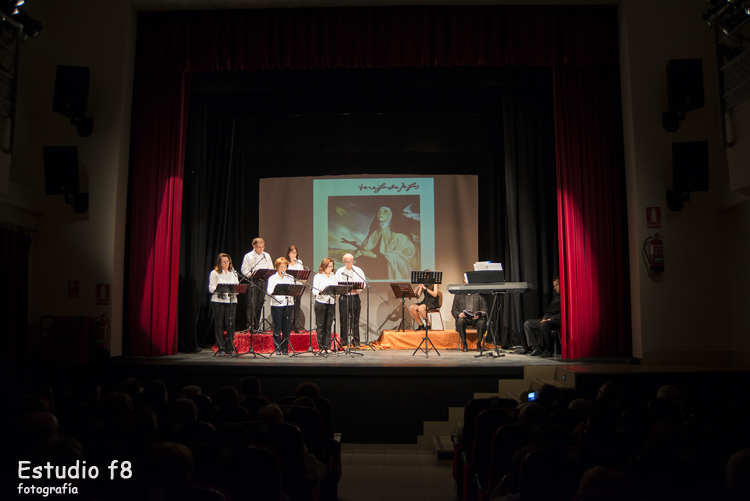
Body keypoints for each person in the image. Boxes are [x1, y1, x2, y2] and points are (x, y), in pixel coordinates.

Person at [353, 206, 419, 280]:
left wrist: (375, 256)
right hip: (372, 265)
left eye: (385, 211)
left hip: (385, 267)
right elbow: (365, 248)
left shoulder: (400, 235)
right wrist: (357, 257)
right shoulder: (375, 233)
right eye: (379, 211)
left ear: (392, 214)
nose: (380, 213)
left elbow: (406, 256)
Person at [208, 253, 239, 357]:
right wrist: (218, 290)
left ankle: (230, 348)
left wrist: (235, 290)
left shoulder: (233, 273)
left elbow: (237, 287)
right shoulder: (215, 273)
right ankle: (221, 348)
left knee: (231, 324)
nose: (226, 263)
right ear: (220, 263)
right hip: (218, 301)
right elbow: (211, 288)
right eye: (224, 262)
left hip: (231, 301)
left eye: (227, 261)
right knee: (219, 324)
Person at [523, 276, 560, 358]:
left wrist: (551, 319)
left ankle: (548, 350)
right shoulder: (555, 297)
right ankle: (536, 348)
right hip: (548, 320)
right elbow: (548, 310)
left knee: (544, 325)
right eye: (554, 286)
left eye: (556, 285)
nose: (555, 288)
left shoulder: (567, 297)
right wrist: (544, 318)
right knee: (528, 324)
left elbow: (564, 314)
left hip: (558, 321)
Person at [240, 237, 272, 333]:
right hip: (253, 281)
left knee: (259, 303)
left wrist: (268, 274)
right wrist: (250, 275)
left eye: (263, 247)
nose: (261, 249)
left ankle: (256, 325)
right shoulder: (248, 256)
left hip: (263, 281)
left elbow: (271, 268)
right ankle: (250, 325)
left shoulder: (266, 256)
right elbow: (243, 270)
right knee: (251, 304)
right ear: (254, 246)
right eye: (259, 247)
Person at [335, 253, 365, 347]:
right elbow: (335, 284)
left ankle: (356, 341)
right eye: (346, 261)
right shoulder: (340, 271)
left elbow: (363, 284)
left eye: (350, 261)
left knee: (355, 320)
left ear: (353, 261)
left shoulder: (358, 271)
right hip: (344, 298)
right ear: (343, 262)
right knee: (344, 320)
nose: (348, 263)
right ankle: (344, 341)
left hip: (355, 297)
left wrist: (357, 289)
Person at [267, 257, 294, 355]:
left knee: (287, 327)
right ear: (277, 267)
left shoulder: (290, 278)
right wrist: (276, 290)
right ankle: (278, 348)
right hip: (276, 304)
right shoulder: (272, 278)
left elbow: (293, 290)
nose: (283, 269)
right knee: (277, 327)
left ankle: (285, 349)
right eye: (281, 267)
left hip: (288, 304)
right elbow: (269, 291)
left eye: (285, 267)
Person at [451, 283, 488, 352]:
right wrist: (459, 314)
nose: (466, 285)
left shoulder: (478, 295)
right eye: (465, 283)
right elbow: (454, 310)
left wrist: (479, 314)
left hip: (476, 318)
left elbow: (484, 309)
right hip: (464, 318)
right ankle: (464, 344)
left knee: (481, 322)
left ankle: (479, 344)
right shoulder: (458, 295)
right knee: (460, 321)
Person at [313, 258, 338, 353]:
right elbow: (314, 290)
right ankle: (321, 347)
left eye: (331, 266)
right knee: (321, 326)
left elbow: (335, 288)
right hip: (321, 303)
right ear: (324, 266)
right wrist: (320, 291)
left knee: (328, 325)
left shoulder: (333, 276)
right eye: (328, 266)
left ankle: (328, 346)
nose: (330, 268)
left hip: (331, 302)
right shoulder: (318, 276)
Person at [286, 245, 305, 332]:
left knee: (297, 305)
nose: (294, 255)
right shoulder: (285, 262)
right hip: (289, 286)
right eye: (293, 252)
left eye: (296, 253)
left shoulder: (299, 262)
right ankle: (288, 325)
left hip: (298, 285)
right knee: (289, 306)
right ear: (289, 253)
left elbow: (302, 274)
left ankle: (296, 326)